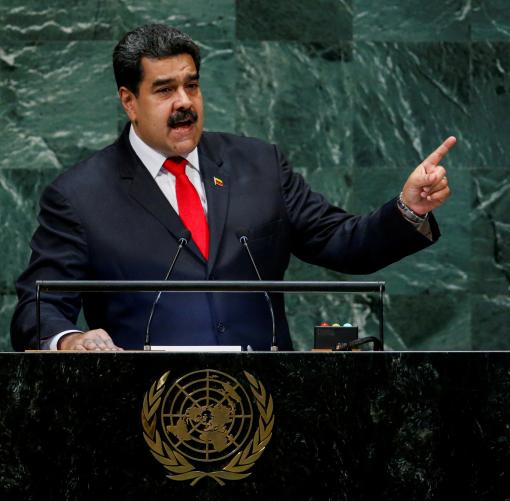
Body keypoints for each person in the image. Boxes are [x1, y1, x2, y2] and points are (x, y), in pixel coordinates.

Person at [11, 24, 455, 352]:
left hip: (266, 407)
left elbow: (343, 242)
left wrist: (408, 208)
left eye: (192, 85)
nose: (184, 102)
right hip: (144, 415)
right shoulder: (80, 195)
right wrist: (70, 342)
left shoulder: (259, 165)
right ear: (129, 101)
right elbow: (38, 305)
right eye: (164, 90)